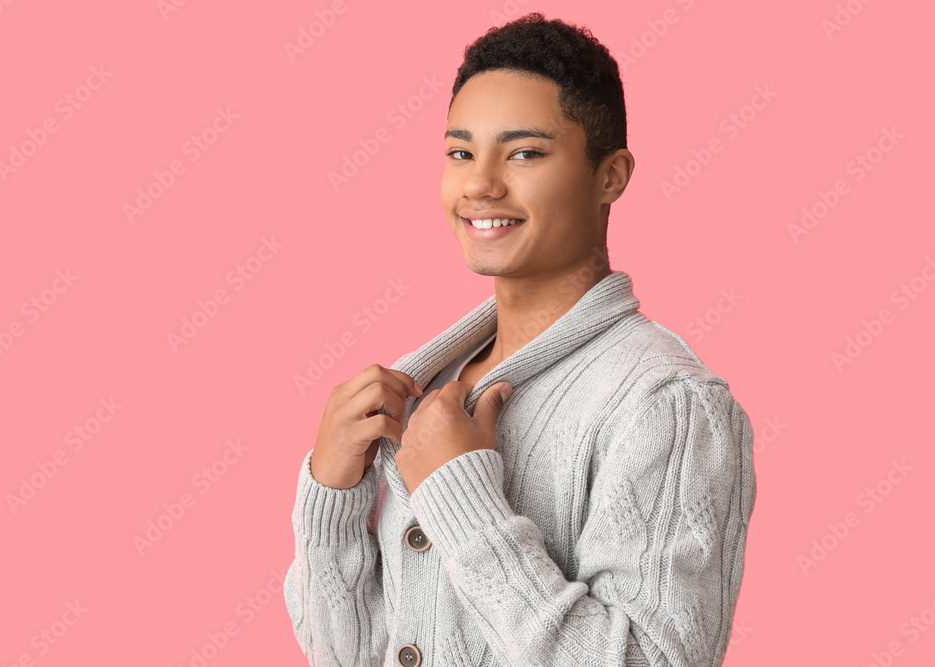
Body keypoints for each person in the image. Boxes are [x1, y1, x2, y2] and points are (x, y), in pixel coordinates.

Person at [284, 12, 756, 667]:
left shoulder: (665, 404)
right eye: (460, 152)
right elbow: (350, 658)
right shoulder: (415, 394)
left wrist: (462, 493)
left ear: (611, 175)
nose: (480, 183)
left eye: (525, 152)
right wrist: (333, 499)